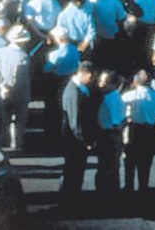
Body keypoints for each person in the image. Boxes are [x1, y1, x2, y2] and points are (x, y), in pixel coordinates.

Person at [122, 69, 155, 194]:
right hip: (149, 130)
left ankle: (128, 187)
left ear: (136, 81)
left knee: (129, 161)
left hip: (133, 130)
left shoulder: (130, 95)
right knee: (145, 161)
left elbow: (121, 106)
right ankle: (143, 187)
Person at [59, 61, 95, 206]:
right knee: (74, 169)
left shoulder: (77, 88)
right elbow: (75, 122)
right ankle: (71, 199)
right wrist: (85, 141)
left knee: (74, 169)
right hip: (75, 141)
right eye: (90, 76)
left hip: (74, 139)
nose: (91, 79)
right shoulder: (74, 92)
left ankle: (71, 196)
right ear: (83, 73)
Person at [95, 70, 124, 198]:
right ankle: (106, 192)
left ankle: (109, 194)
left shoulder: (113, 98)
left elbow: (116, 121)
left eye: (104, 81)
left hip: (110, 135)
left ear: (112, 84)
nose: (100, 84)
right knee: (105, 166)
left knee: (109, 166)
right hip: (105, 134)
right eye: (100, 80)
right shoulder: (105, 96)